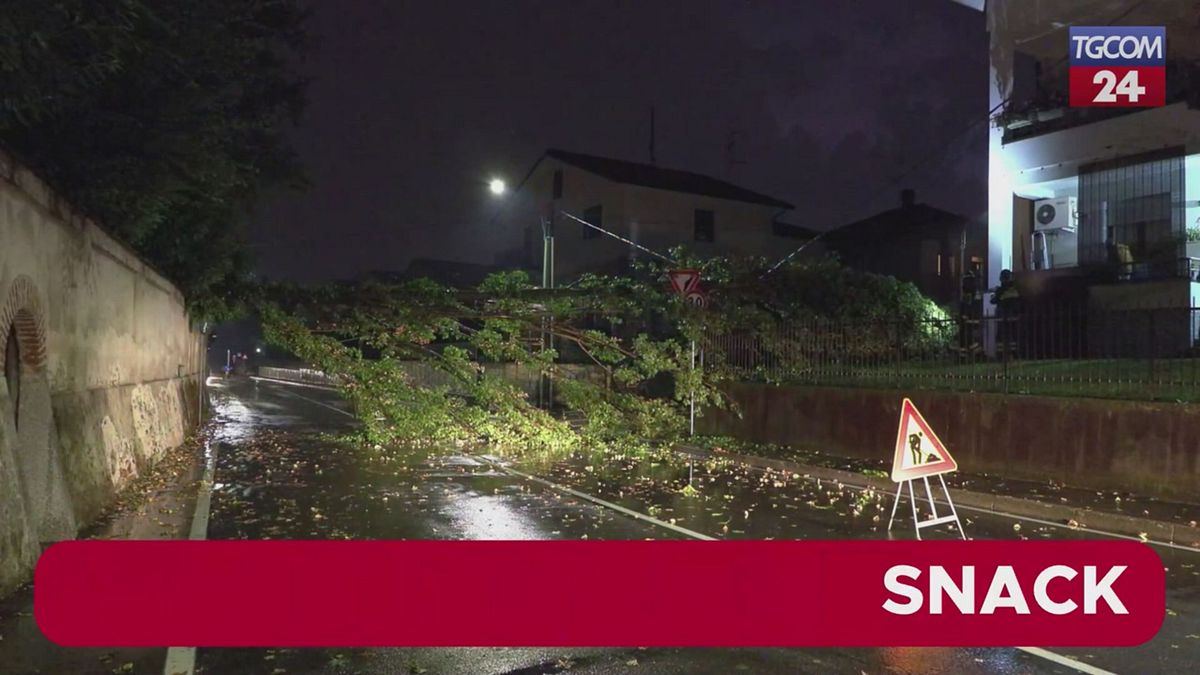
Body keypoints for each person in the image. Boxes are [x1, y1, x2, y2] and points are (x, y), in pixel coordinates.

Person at [990, 269, 1021, 358]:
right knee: (1013, 337)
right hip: (1014, 317)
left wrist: (995, 294)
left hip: (1003, 317)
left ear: (1002, 278)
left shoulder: (1001, 290)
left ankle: (1002, 355)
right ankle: (1014, 355)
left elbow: (993, 300)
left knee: (1002, 337)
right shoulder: (1015, 289)